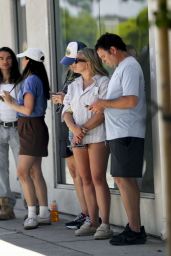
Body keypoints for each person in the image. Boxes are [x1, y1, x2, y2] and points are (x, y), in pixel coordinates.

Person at [89, 32, 147, 245]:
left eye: (104, 57)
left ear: (113, 50)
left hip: (127, 132)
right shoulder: (123, 68)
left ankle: (135, 229)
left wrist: (104, 103)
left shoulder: (129, 66)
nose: (105, 62)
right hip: (120, 133)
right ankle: (134, 228)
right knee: (122, 179)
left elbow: (131, 100)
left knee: (125, 180)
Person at [62, 47, 113, 239]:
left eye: (76, 60)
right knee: (85, 179)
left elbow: (103, 111)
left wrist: (81, 130)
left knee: (98, 178)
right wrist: (74, 129)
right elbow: (66, 111)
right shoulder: (74, 84)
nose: (72, 64)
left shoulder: (104, 82)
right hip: (77, 136)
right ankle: (92, 221)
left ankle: (105, 224)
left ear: (89, 61)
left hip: (97, 135)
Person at [2, 48, 50, 230]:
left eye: (24, 59)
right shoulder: (37, 79)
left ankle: (32, 215)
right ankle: (43, 213)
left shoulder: (30, 80)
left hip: (30, 127)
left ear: (29, 61)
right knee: (35, 171)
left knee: (22, 172)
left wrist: (10, 103)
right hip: (35, 127)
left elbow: (27, 110)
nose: (21, 62)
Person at [52, 41, 89, 229]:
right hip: (64, 124)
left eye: (73, 61)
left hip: (78, 126)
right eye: (69, 62)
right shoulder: (68, 73)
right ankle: (84, 212)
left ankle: (91, 214)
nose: (70, 65)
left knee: (84, 174)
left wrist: (63, 98)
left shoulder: (88, 77)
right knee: (74, 172)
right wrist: (61, 98)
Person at [0, 47, 21, 220]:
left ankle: (32, 206)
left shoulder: (20, 81)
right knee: (1, 169)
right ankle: (6, 207)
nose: (5, 61)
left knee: (23, 168)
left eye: (8, 58)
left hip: (17, 128)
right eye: (1, 58)